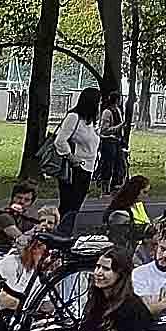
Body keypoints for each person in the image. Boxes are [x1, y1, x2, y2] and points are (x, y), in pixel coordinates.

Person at [50, 89, 103, 233]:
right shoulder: (74, 117)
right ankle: (59, 233)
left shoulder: (90, 122)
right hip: (75, 168)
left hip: (88, 168)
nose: (100, 105)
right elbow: (60, 140)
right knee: (69, 206)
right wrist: (71, 158)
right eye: (98, 102)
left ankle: (62, 233)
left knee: (75, 206)